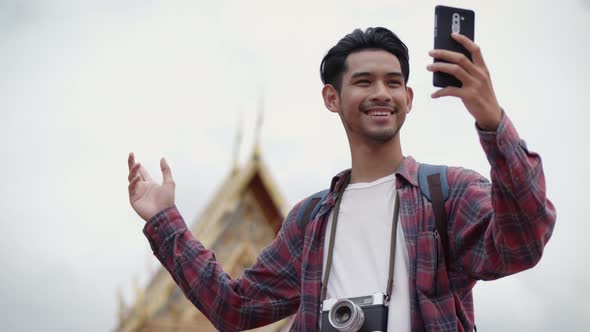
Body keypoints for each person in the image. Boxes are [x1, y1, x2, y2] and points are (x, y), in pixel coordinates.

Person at [127, 27, 555, 331]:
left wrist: (491, 119)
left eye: (393, 82)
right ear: (332, 98)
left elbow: (522, 241)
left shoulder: (448, 193)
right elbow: (235, 309)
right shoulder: (310, 221)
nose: (381, 94)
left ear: (408, 98)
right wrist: (164, 220)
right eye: (363, 82)